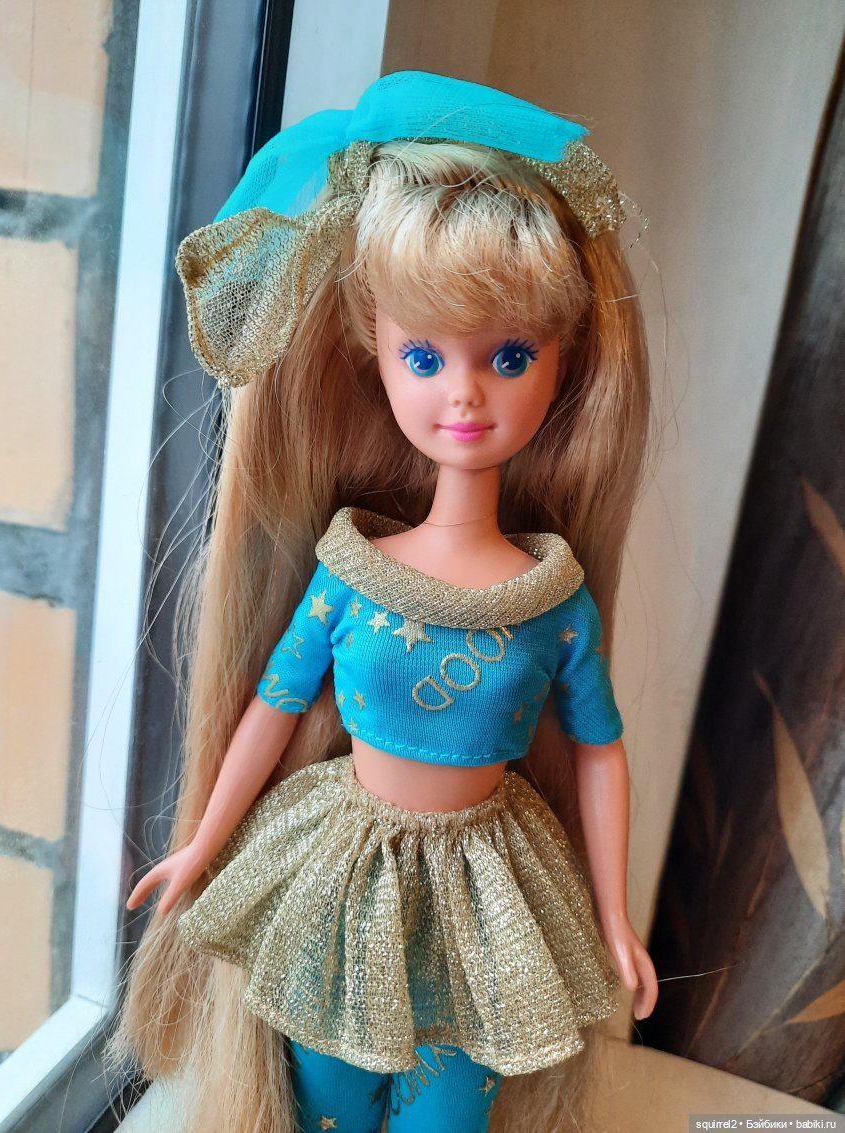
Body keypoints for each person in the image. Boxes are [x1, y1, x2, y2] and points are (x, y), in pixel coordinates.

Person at [114, 71, 658, 1133]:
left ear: (562, 365)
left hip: (491, 885)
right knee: (325, 1099)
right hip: (340, 872)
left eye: (509, 356)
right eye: (424, 355)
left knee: (449, 1111)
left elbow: (599, 749)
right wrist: (202, 841)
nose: (465, 393)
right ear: (377, 353)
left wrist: (613, 915)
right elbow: (274, 705)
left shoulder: (552, 600)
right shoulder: (351, 570)